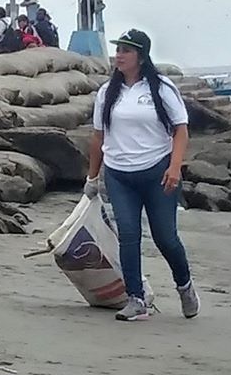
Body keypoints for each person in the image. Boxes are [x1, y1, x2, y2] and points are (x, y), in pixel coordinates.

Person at [84, 29, 200, 322]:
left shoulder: (161, 87)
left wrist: (175, 167)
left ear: (141, 56)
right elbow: (98, 136)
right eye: (118, 50)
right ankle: (135, 299)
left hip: (157, 172)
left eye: (126, 50)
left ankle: (184, 285)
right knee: (128, 235)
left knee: (165, 237)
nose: (119, 55)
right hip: (119, 175)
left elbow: (181, 130)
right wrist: (92, 178)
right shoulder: (107, 92)